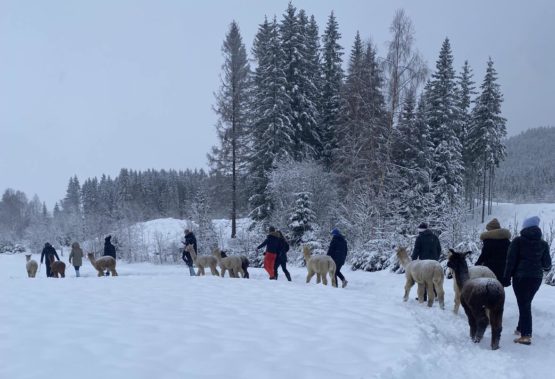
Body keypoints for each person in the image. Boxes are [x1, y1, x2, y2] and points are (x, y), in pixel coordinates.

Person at [503, 216, 552, 345]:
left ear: (525, 228)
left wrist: (506, 277)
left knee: (524, 304)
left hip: (521, 277)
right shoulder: (543, 244)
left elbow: (510, 261)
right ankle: (521, 328)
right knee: (525, 303)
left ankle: (526, 335)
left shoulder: (518, 241)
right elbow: (547, 265)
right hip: (536, 278)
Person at [412, 222, 441, 300]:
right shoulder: (435, 237)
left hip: (424, 262)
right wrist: (436, 259)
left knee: (423, 279)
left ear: (421, 230)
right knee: (433, 278)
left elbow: (416, 250)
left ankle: (423, 296)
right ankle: (435, 294)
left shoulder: (420, 238)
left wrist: (413, 259)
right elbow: (439, 249)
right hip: (434, 262)